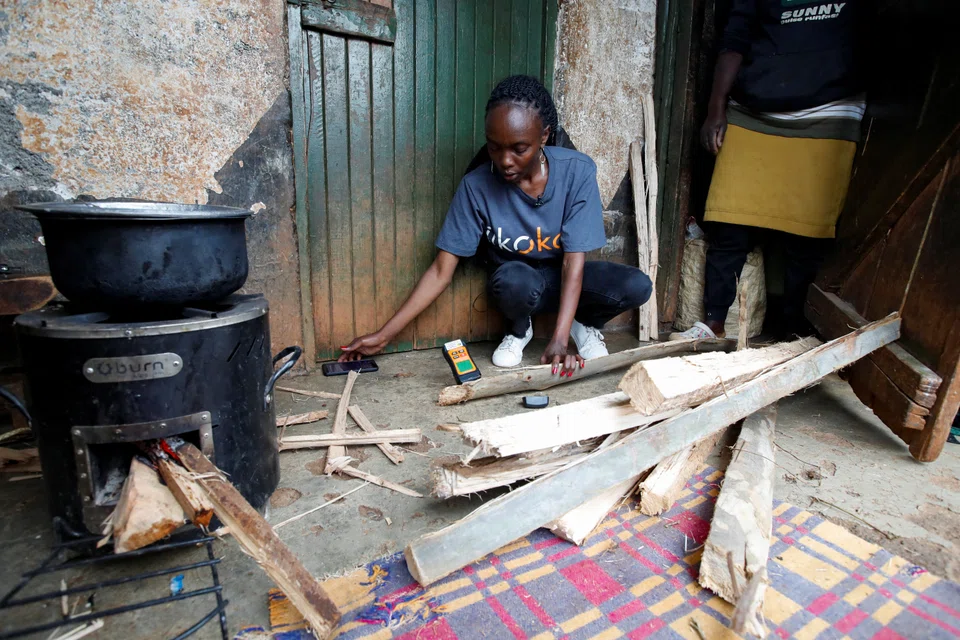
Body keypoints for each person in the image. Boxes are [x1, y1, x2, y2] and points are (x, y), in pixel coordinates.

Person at [339, 75, 652, 376]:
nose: (504, 161)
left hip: (566, 277)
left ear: (543, 136)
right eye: (494, 147)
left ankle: (580, 323)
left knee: (637, 285)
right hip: (520, 284)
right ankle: (519, 329)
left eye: (519, 149)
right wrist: (383, 335)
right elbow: (440, 272)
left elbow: (574, 263)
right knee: (514, 280)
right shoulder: (476, 186)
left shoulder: (577, 171)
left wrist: (559, 340)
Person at [671, 0, 865, 340]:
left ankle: (794, 330)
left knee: (808, 231)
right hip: (752, 110)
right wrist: (716, 109)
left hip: (828, 111)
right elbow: (734, 41)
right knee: (728, 219)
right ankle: (714, 321)